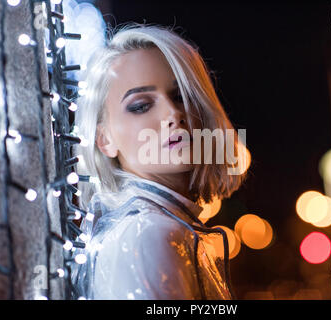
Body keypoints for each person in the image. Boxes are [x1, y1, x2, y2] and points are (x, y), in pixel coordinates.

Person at [70, 22, 250, 300]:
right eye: (141, 105)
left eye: (181, 96)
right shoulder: (149, 235)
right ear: (103, 139)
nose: (173, 114)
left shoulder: (158, 227)